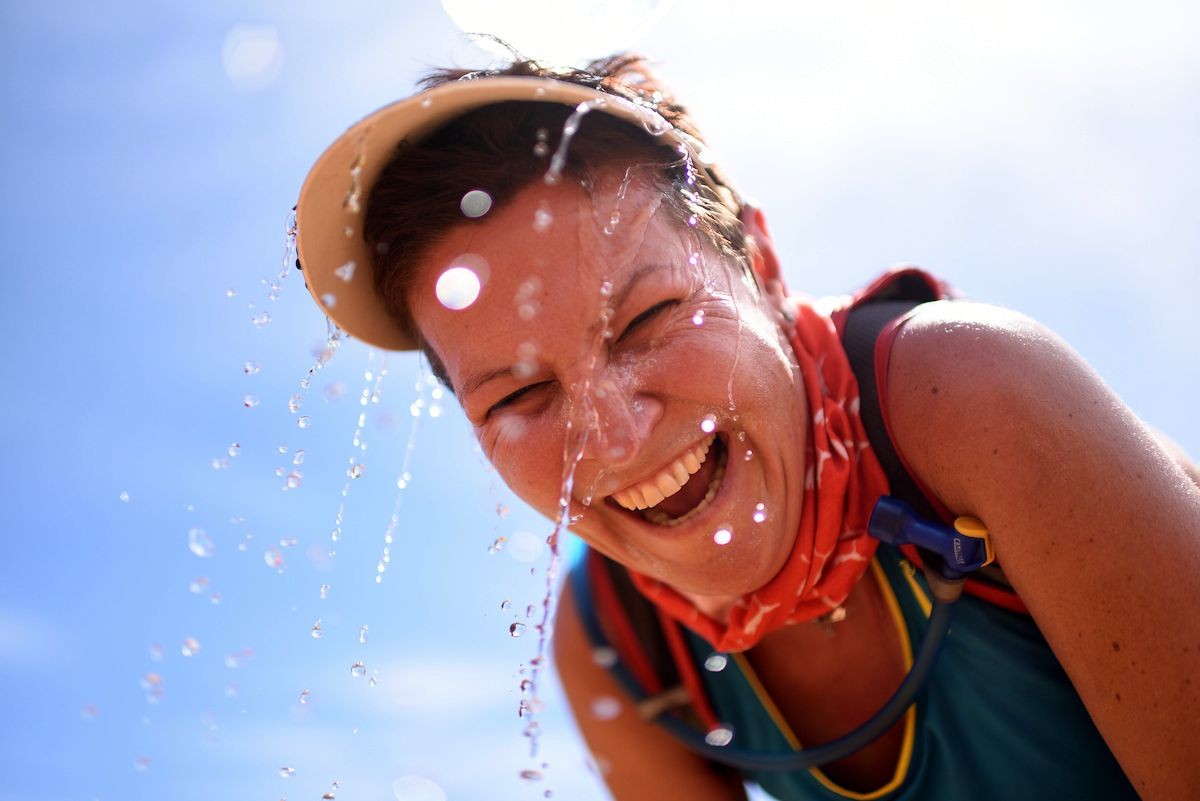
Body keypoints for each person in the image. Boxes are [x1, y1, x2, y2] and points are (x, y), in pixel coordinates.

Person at [293, 54, 1200, 801]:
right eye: (519, 399)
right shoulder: (615, 644)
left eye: (647, 320)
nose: (613, 437)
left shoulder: (969, 398)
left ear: (760, 263)